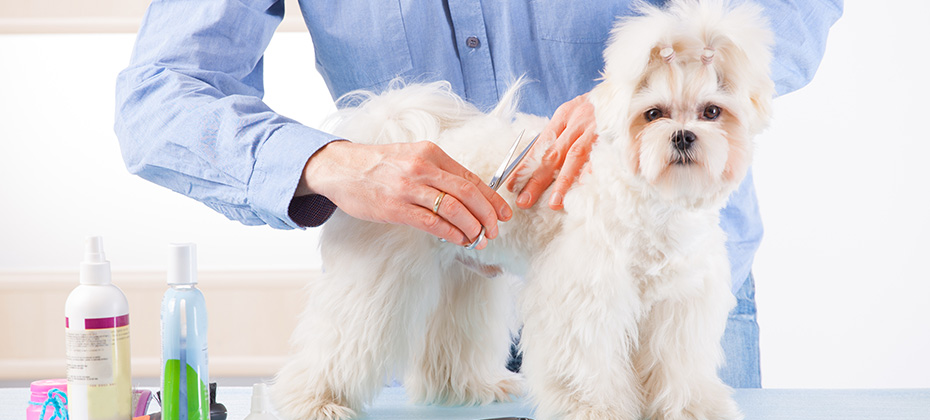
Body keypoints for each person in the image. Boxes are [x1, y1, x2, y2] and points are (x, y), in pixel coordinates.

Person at [114, 0, 843, 388]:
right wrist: (328, 162)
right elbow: (161, 96)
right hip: (423, 292)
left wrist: (636, 96)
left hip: (662, 290)